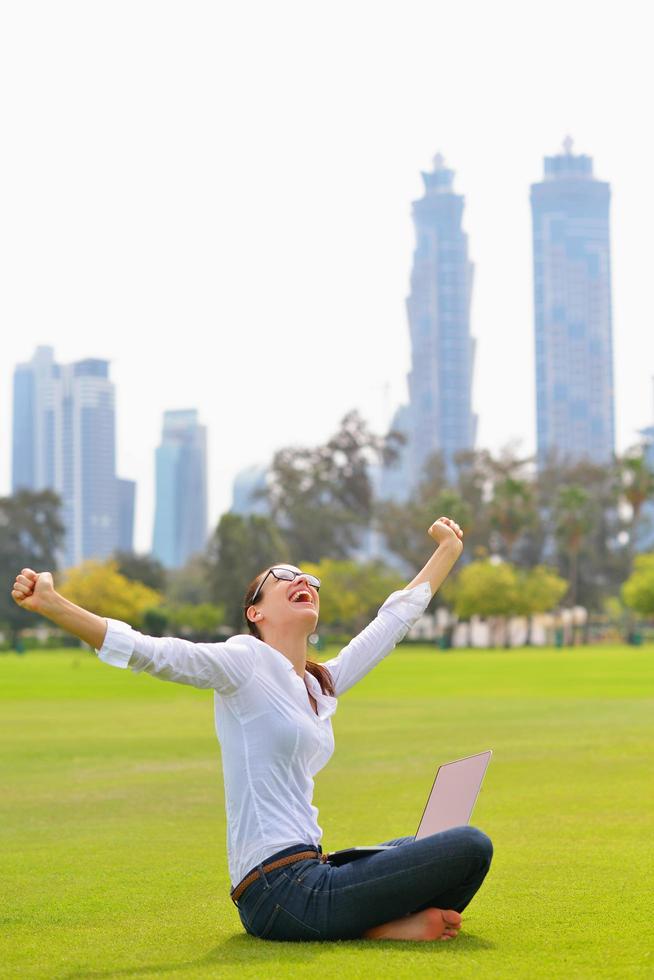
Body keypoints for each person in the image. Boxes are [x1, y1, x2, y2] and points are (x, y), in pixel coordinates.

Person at [11, 515, 492, 943]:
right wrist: (56, 607)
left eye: (308, 578)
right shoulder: (244, 661)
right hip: (278, 889)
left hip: (311, 869)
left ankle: (377, 924)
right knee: (469, 845)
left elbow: (392, 624)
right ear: (255, 612)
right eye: (283, 577)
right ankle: (377, 926)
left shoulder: (318, 684)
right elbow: (153, 652)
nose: (302, 579)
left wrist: (446, 551)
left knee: (427, 843)